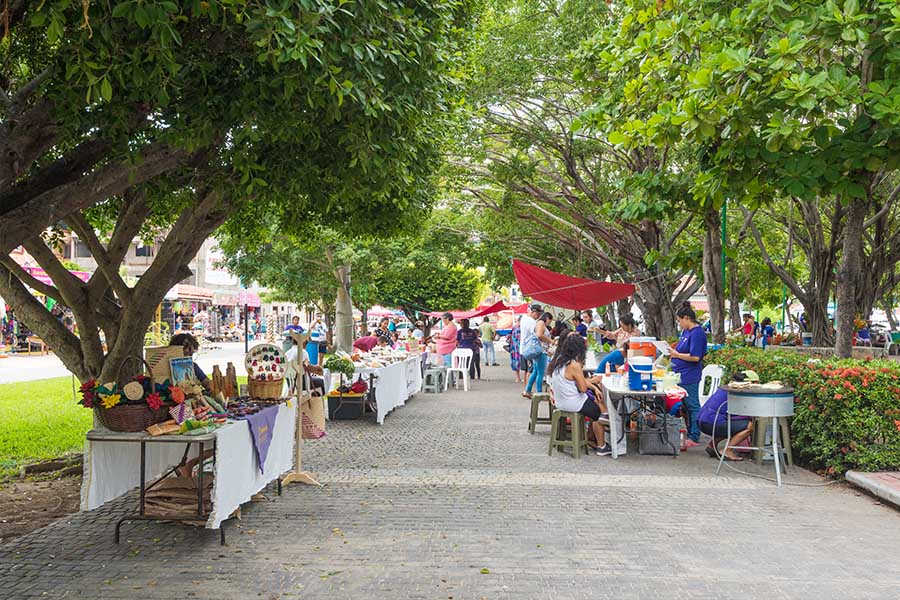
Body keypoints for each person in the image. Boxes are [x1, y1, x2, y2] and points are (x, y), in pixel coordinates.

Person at [548, 332, 612, 456]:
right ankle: (601, 446)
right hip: (573, 403)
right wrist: (593, 384)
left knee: (596, 403)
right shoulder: (574, 365)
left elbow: (575, 382)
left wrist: (592, 384)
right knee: (601, 413)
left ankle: (591, 440)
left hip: (561, 401)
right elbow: (582, 388)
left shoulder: (559, 360)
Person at [668, 302, 708, 448]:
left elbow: (695, 357)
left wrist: (677, 354)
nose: (679, 324)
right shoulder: (686, 332)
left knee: (692, 405)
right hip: (679, 373)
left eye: (680, 321)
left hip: (689, 375)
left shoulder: (697, 333)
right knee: (683, 405)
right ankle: (688, 431)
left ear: (686, 318)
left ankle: (694, 435)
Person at [698, 371, 758, 461]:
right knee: (749, 426)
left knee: (733, 426)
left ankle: (712, 445)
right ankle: (727, 451)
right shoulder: (738, 392)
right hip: (711, 423)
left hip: (701, 421)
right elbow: (736, 414)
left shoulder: (726, 388)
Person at [522, 306, 552, 398]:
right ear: (547, 318)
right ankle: (539, 393)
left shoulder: (538, 323)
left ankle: (527, 390)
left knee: (535, 372)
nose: (549, 323)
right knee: (540, 372)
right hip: (541, 351)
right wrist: (550, 341)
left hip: (538, 350)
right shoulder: (541, 323)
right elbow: (539, 335)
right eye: (550, 321)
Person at [509, 316, 523, 383]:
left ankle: (518, 378)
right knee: (523, 362)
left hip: (514, 348)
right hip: (519, 347)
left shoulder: (514, 327)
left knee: (516, 362)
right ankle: (521, 378)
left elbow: (510, 336)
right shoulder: (520, 328)